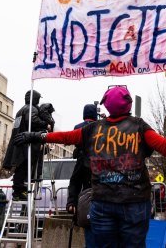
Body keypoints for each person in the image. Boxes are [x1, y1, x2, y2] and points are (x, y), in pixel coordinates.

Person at [15, 85, 166, 248]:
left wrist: (38, 136)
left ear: (107, 106)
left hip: (103, 202)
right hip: (134, 202)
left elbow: (66, 137)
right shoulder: (139, 126)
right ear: (128, 105)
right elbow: (164, 146)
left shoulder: (92, 129)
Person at [2, 90, 54, 201]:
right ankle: (19, 192)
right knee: (23, 167)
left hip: (18, 142)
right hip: (26, 143)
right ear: (35, 98)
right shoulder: (32, 109)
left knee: (20, 168)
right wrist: (46, 125)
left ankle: (18, 191)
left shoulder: (20, 110)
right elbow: (32, 120)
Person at [67, 104, 98, 248]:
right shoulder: (102, 127)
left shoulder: (78, 127)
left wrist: (72, 201)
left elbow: (74, 181)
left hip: (87, 196)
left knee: (90, 233)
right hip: (106, 199)